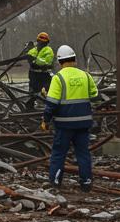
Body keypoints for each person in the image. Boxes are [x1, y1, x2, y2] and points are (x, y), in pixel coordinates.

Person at [41, 44, 98, 192]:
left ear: (60, 62)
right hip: (84, 123)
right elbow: (94, 95)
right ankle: (86, 182)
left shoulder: (58, 78)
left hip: (64, 125)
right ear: (75, 59)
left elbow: (52, 104)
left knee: (59, 153)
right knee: (83, 153)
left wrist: (46, 120)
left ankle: (55, 182)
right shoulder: (85, 75)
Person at [22, 31, 54, 110]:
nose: (41, 43)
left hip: (43, 75)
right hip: (33, 75)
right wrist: (26, 51)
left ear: (46, 42)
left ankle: (44, 108)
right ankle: (30, 108)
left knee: (43, 93)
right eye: (40, 42)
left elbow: (46, 62)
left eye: (43, 42)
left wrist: (34, 60)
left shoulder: (48, 50)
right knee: (32, 93)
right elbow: (27, 55)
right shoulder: (34, 50)